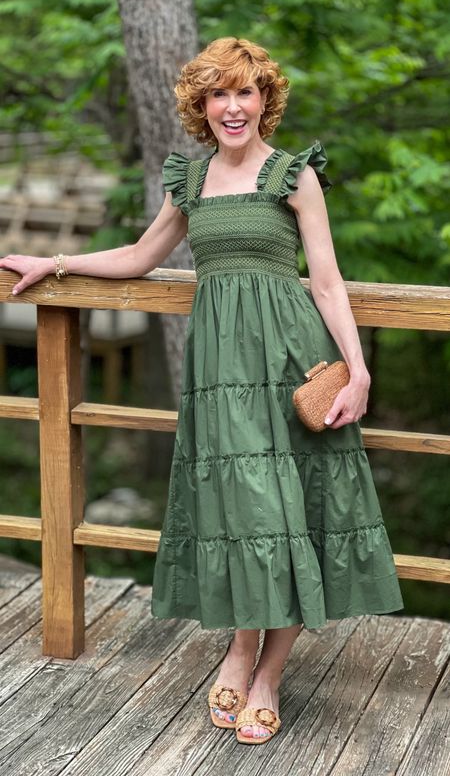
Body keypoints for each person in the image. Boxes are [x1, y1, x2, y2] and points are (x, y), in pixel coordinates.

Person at [0, 37, 404, 745]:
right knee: (246, 516)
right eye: (219, 93)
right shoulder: (190, 177)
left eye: (245, 92)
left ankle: (267, 673)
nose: (233, 106)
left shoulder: (292, 176)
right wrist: (54, 261)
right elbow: (138, 256)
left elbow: (329, 280)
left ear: (264, 101)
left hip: (291, 365)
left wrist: (358, 369)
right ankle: (239, 649)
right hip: (220, 379)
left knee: (291, 518)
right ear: (202, 105)